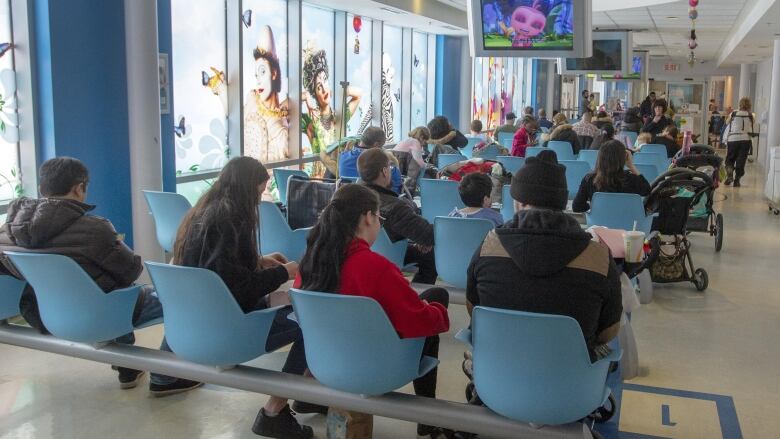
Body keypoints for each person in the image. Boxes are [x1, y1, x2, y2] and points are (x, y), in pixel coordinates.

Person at [0, 157, 184, 393]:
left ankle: (128, 368)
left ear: (41, 188)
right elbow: (131, 271)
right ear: (79, 188)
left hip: (45, 315)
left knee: (108, 287)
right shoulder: (95, 229)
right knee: (167, 299)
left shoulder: (7, 232)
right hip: (100, 316)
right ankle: (163, 378)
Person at [173, 157, 315, 439]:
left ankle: (308, 394)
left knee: (288, 303)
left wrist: (259, 260)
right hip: (227, 328)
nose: (259, 200)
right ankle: (275, 410)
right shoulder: (230, 220)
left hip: (196, 323)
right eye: (259, 192)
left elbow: (215, 270)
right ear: (247, 189)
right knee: (311, 323)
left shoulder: (203, 213)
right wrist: (284, 271)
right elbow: (240, 288)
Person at [295, 184, 450, 439]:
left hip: (326, 362)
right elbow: (419, 322)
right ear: (368, 217)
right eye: (380, 217)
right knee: (434, 300)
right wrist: (436, 311)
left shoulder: (310, 262)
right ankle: (427, 417)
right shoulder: (376, 267)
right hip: (377, 366)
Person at [467, 153, 623, 362]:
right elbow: (608, 331)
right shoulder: (599, 257)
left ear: (519, 202)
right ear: (560, 204)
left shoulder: (488, 247)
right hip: (572, 382)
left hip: (500, 372)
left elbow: (473, 309)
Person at [358, 148, 438, 284]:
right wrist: (422, 239)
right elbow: (429, 235)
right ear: (384, 171)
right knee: (431, 255)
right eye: (390, 166)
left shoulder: (347, 197)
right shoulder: (395, 207)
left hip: (358, 257)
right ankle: (414, 298)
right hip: (388, 256)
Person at [301, 47, 361, 177]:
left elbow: (358, 95)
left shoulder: (339, 116)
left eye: (325, 81)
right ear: (315, 94)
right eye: (318, 87)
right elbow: (288, 107)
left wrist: (341, 92)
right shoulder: (311, 119)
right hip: (319, 176)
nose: (324, 89)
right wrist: (306, 98)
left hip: (337, 172)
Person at [244, 26, 290, 163]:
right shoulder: (252, 100)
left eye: (262, 72)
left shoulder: (282, 132)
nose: (259, 81)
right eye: (256, 75)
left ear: (274, 73)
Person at [572, 140, 651, 213]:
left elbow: (577, 207)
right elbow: (647, 190)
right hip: (627, 224)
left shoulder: (589, 179)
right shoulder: (631, 178)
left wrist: (594, 208)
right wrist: (631, 166)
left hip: (600, 225)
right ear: (624, 158)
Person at [338, 127, 403, 193]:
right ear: (376, 145)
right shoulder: (379, 162)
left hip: (347, 198)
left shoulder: (342, 156)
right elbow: (397, 181)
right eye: (381, 147)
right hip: (376, 200)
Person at [723, 97, 756, 187]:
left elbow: (726, 123)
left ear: (740, 104)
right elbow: (753, 124)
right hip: (745, 140)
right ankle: (737, 180)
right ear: (749, 105)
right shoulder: (751, 115)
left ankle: (729, 175)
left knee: (730, 158)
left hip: (733, 139)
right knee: (741, 160)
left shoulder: (733, 113)